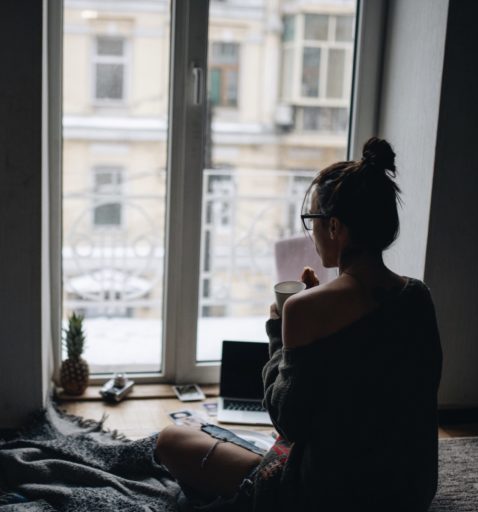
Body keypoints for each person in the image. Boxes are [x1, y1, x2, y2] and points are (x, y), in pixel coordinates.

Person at [154, 137, 443, 511]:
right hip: (409, 491)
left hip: (327, 496)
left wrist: (279, 331)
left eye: (312, 220)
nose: (311, 231)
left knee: (171, 442)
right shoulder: (417, 296)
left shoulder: (305, 309)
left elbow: (286, 420)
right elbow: (380, 389)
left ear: (335, 227)